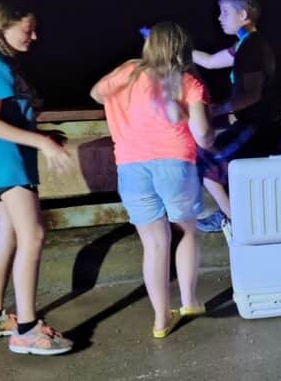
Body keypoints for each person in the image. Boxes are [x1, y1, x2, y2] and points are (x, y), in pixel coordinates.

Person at [91, 22, 214, 337]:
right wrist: (199, 128)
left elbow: (96, 93)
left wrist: (125, 82)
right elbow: (203, 136)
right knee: (187, 231)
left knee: (154, 243)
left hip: (131, 166)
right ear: (183, 49)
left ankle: (161, 319)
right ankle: (189, 301)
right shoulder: (187, 83)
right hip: (175, 164)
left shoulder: (129, 72)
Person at [0, 0, 74, 355]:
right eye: (28, 30)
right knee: (34, 236)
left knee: (9, 237)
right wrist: (42, 142)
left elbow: (6, 118)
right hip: (6, 162)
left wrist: (42, 135)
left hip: (2, 161)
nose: (34, 37)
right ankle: (27, 329)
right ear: (3, 26)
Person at [190, 0, 281, 233]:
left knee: (208, 164)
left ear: (243, 15)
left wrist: (218, 110)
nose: (219, 17)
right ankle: (232, 214)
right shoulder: (244, 45)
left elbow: (252, 95)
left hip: (259, 127)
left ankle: (238, 223)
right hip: (252, 125)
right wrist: (176, 48)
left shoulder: (252, 48)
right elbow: (209, 61)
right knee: (209, 159)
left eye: (225, 12)